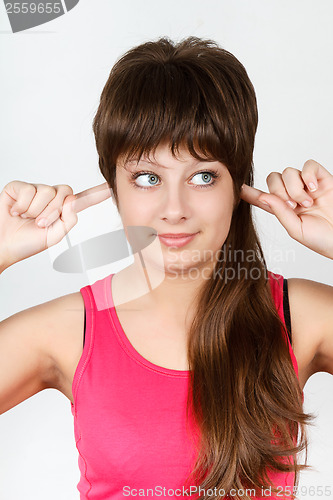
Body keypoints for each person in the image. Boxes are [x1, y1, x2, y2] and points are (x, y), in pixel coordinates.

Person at [0, 36, 332, 500]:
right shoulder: (68, 331)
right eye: (147, 177)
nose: (173, 209)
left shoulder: (298, 316)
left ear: (238, 183)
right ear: (112, 186)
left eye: (202, 176)